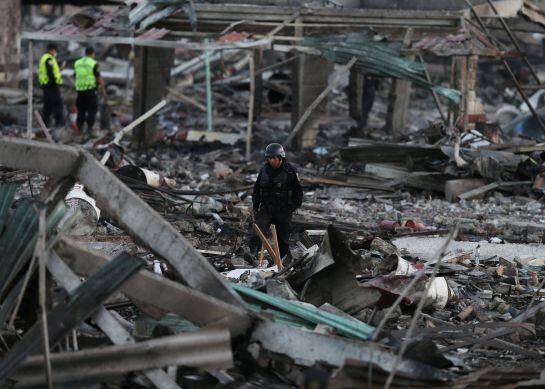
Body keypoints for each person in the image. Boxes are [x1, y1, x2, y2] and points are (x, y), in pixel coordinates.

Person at [252, 143, 303, 260]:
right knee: (257, 230)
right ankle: (253, 254)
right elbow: (256, 189)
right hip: (267, 207)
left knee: (283, 238)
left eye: (274, 158)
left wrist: (291, 208)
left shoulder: (290, 172)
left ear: (280, 158)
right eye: (269, 158)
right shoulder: (264, 170)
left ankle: (282, 260)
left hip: (283, 210)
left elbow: (298, 193)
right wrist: (256, 207)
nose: (271, 161)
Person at [74, 47, 105, 132]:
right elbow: (98, 77)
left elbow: (75, 75)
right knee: (92, 110)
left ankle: (79, 128)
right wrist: (103, 89)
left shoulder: (77, 63)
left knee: (81, 110)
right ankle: (89, 128)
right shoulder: (93, 63)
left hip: (80, 91)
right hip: (91, 90)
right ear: (92, 53)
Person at [38, 43, 64, 127]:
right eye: (55, 51)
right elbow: (50, 73)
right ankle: (58, 124)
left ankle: (45, 125)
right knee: (57, 105)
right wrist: (54, 83)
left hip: (46, 85)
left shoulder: (45, 58)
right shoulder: (49, 59)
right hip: (51, 85)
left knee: (48, 106)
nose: (56, 52)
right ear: (52, 50)